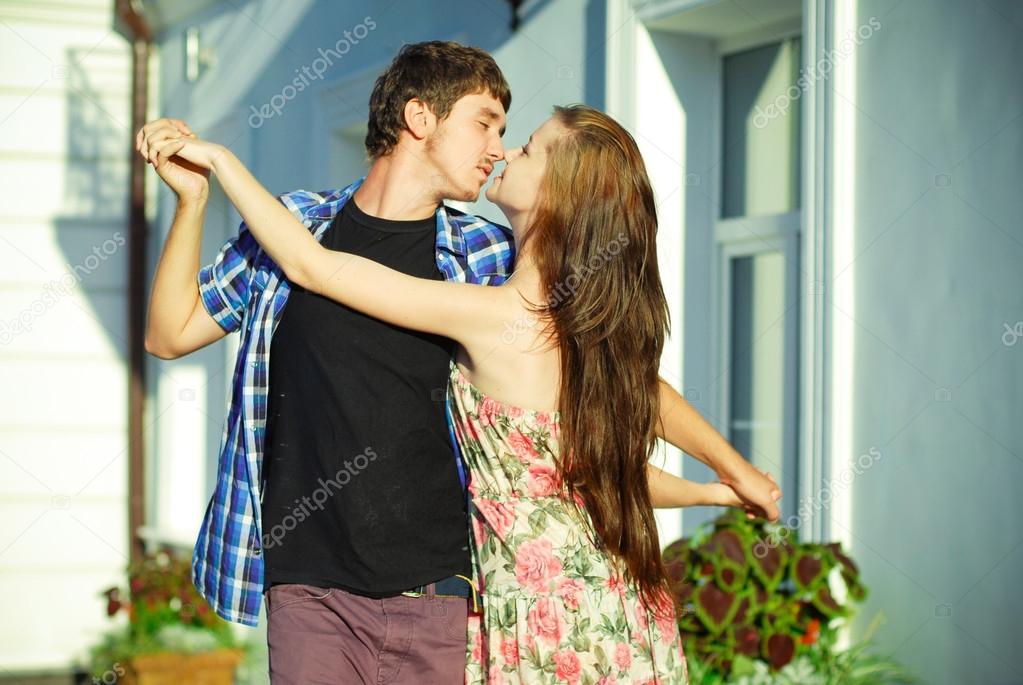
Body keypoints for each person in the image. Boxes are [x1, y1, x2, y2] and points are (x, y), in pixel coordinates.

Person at [142, 101, 782, 683]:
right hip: (611, 611)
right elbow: (585, 466)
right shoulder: (572, 319)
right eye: (494, 130)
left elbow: (315, 267)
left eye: (525, 146)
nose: (504, 151)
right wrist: (724, 478)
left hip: (537, 614)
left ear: (559, 193)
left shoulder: (493, 308)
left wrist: (224, 162)